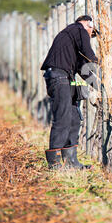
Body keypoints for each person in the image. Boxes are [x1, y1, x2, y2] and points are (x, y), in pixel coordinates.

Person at [41, 15, 99, 170]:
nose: (91, 36)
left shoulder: (72, 40)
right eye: (92, 31)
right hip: (59, 77)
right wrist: (95, 60)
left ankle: (71, 162)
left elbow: (81, 67)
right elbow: (87, 53)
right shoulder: (77, 29)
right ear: (88, 24)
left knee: (74, 117)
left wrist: (100, 87)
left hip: (66, 78)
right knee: (63, 118)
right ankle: (54, 163)